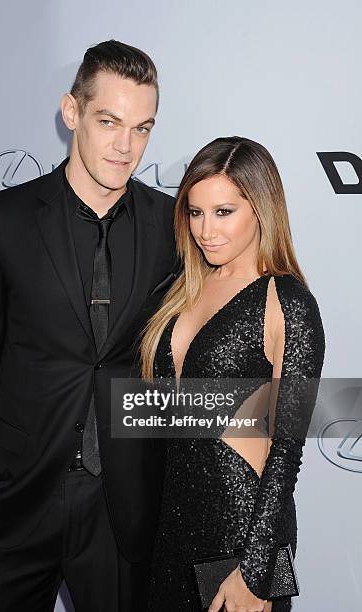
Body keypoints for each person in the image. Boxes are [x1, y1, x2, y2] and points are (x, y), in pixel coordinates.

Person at [0, 39, 181, 612]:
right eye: (109, 121)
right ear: (71, 112)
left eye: (143, 128)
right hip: (11, 501)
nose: (126, 147)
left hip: (122, 506)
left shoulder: (169, 226)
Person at [140, 136, 325, 612]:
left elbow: (286, 450)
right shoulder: (179, 289)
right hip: (171, 534)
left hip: (241, 542)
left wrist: (256, 570)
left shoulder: (286, 302)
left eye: (223, 212)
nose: (206, 230)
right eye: (195, 212)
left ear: (260, 209)